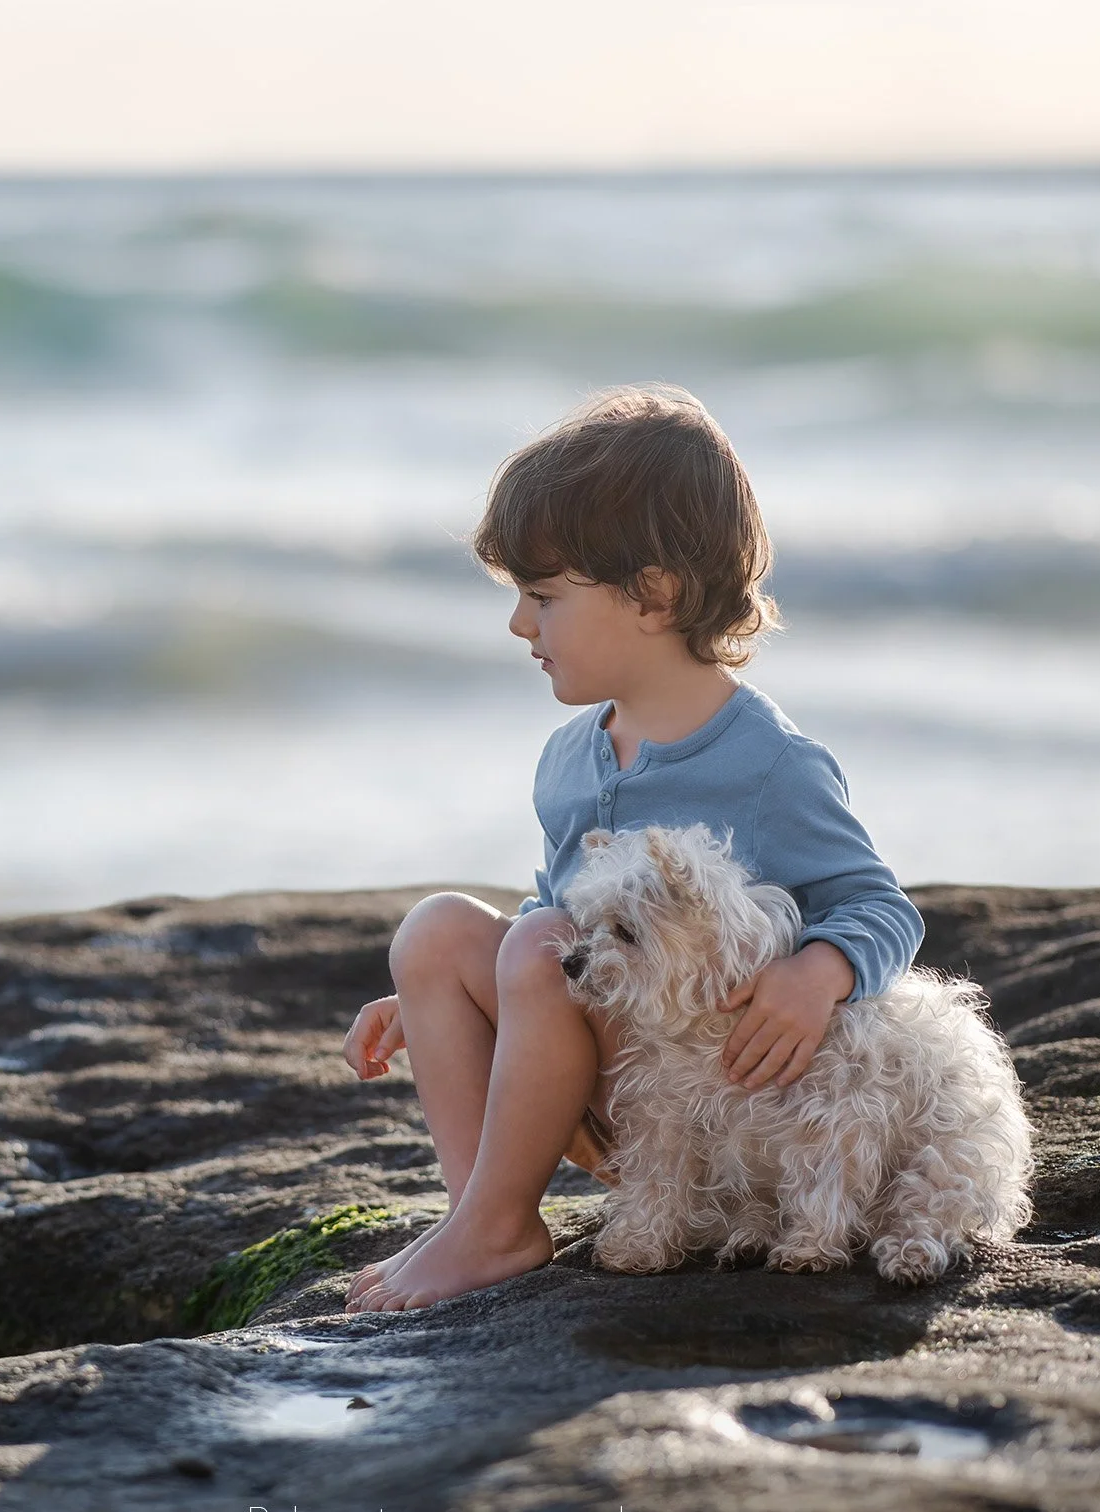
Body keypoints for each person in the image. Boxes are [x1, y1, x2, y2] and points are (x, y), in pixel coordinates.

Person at [340, 383, 923, 1313]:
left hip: (718, 1112)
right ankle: (484, 1218)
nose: (519, 626)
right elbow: (556, 920)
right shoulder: (570, 759)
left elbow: (884, 908)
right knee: (438, 931)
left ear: (654, 595)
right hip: (617, 1093)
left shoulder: (770, 764)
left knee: (534, 947)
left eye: (543, 598)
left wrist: (817, 973)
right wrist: (438, 995)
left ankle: (489, 1229)